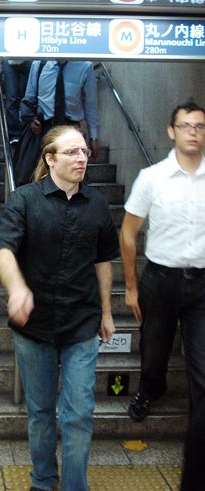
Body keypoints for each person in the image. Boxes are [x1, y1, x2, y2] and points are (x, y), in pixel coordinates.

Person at [0, 125, 119, 491]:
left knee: (79, 412)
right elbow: (4, 250)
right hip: (35, 326)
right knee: (41, 413)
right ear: (50, 159)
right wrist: (17, 288)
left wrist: (107, 312)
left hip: (82, 323)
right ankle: (44, 479)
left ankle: (74, 486)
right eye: (73, 153)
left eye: (84, 152)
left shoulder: (96, 204)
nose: (83, 159)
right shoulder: (24, 200)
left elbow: (103, 260)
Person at [119, 99, 205, 490]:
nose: (193, 132)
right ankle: (150, 388)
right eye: (186, 126)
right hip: (160, 279)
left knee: (202, 372)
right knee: (153, 349)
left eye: (199, 126)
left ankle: (196, 460)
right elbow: (128, 232)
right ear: (171, 131)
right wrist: (132, 286)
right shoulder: (151, 178)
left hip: (202, 285)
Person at [14, 60, 100, 187]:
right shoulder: (39, 65)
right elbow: (29, 98)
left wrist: (93, 137)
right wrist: (31, 119)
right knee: (39, 175)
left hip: (70, 128)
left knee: (71, 177)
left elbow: (91, 104)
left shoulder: (84, 67)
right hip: (44, 129)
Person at [1, 59, 33, 144]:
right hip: (10, 58)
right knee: (12, 97)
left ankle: (28, 131)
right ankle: (14, 133)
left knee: (28, 97)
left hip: (28, 56)